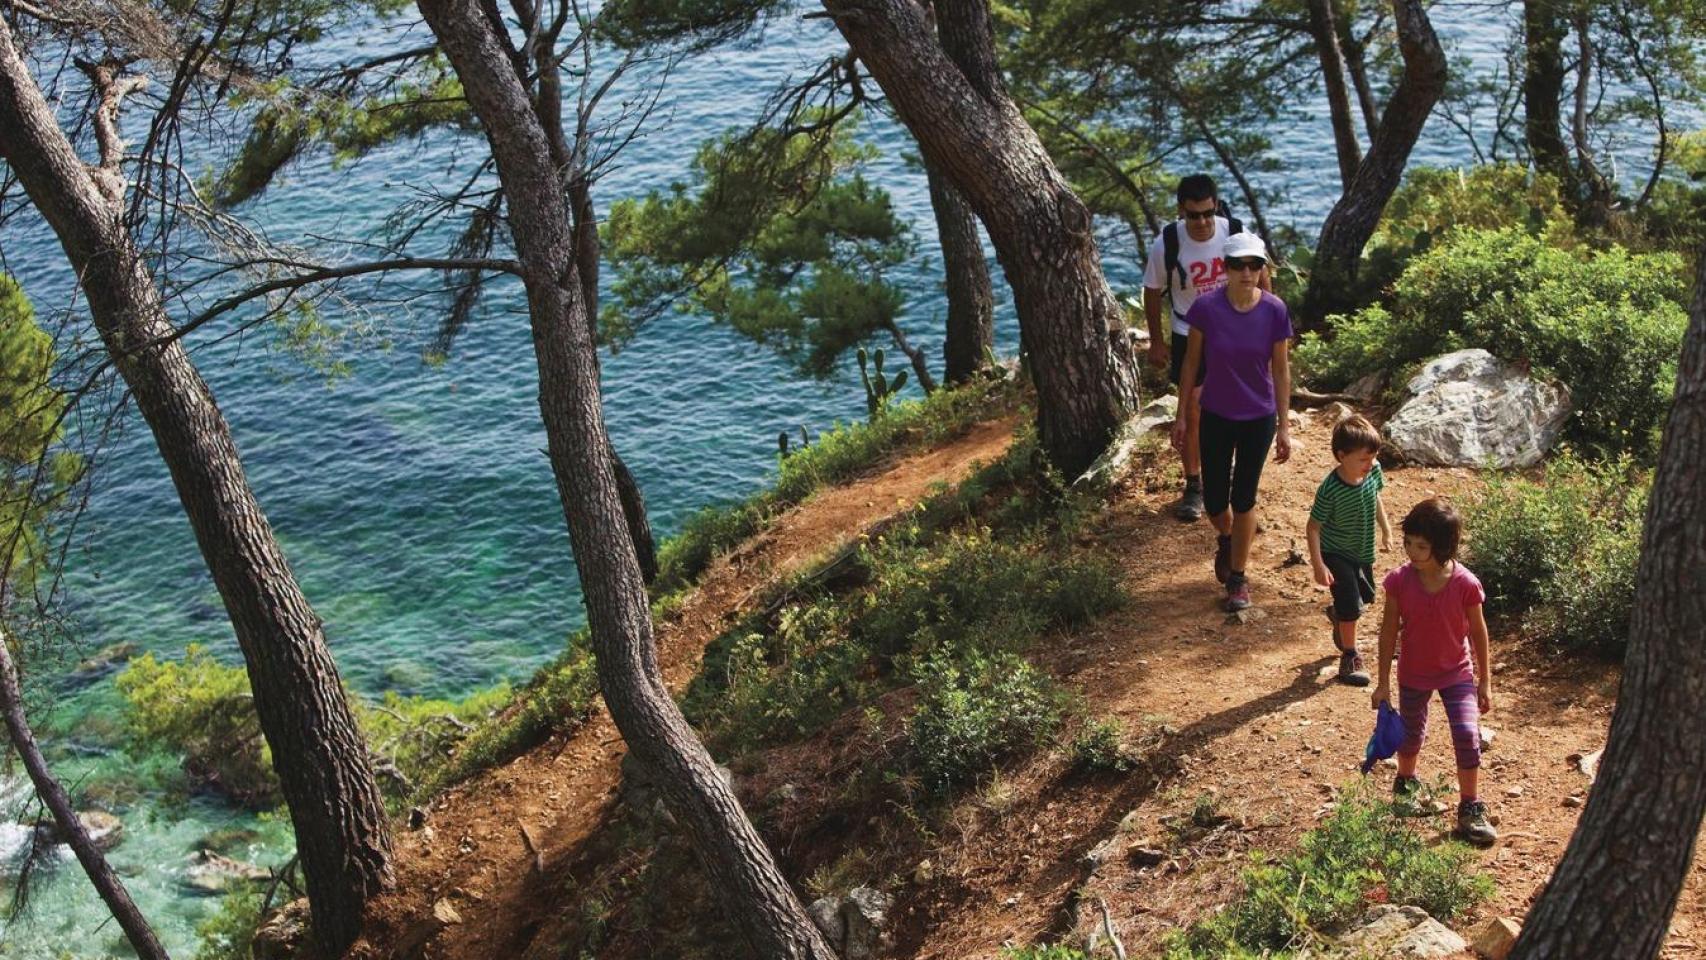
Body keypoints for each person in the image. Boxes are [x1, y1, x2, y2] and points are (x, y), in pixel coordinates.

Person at [1169, 232, 1291, 612]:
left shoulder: (1275, 310)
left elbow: (1282, 370)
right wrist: (1180, 415)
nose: (1247, 272)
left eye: (1255, 265)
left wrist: (1285, 426)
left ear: (1262, 269)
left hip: (1259, 416)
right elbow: (1191, 364)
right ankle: (1230, 537)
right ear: (1226, 268)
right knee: (1215, 501)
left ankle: (1238, 578)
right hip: (1217, 414)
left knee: (1244, 498)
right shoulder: (1206, 309)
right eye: (1239, 265)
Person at [1371, 497, 1498, 847]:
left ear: (1441, 547)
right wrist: (1382, 682)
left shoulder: (1465, 584)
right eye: (1409, 543)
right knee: (1411, 736)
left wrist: (1485, 680)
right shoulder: (1399, 581)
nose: (1412, 551)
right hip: (1413, 673)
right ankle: (1405, 786)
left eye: (1421, 546)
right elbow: (1388, 630)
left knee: (1468, 735)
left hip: (1457, 674)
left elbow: (1478, 631)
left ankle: (1470, 808)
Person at [1142, 175, 1267, 522]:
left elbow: (1261, 273)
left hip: (1234, 329)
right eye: (1193, 215)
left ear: (1216, 207)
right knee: (1194, 408)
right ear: (1181, 211)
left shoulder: (1235, 232)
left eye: (1207, 213)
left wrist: (1268, 320)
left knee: (1243, 404)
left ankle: (1238, 481)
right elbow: (1152, 291)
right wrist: (1156, 340)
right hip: (1188, 328)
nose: (1201, 222)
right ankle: (1194, 483)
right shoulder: (1166, 243)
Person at [1306, 415, 1392, 687]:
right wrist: (1319, 565)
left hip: (1361, 551)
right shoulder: (1329, 489)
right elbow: (1313, 528)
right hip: (1335, 553)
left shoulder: (1373, 472)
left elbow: (1376, 496)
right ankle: (1350, 656)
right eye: (1363, 459)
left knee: (1364, 598)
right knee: (1352, 605)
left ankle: (1339, 615)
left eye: (1373, 458)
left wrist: (1386, 529)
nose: (1370, 465)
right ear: (1342, 456)